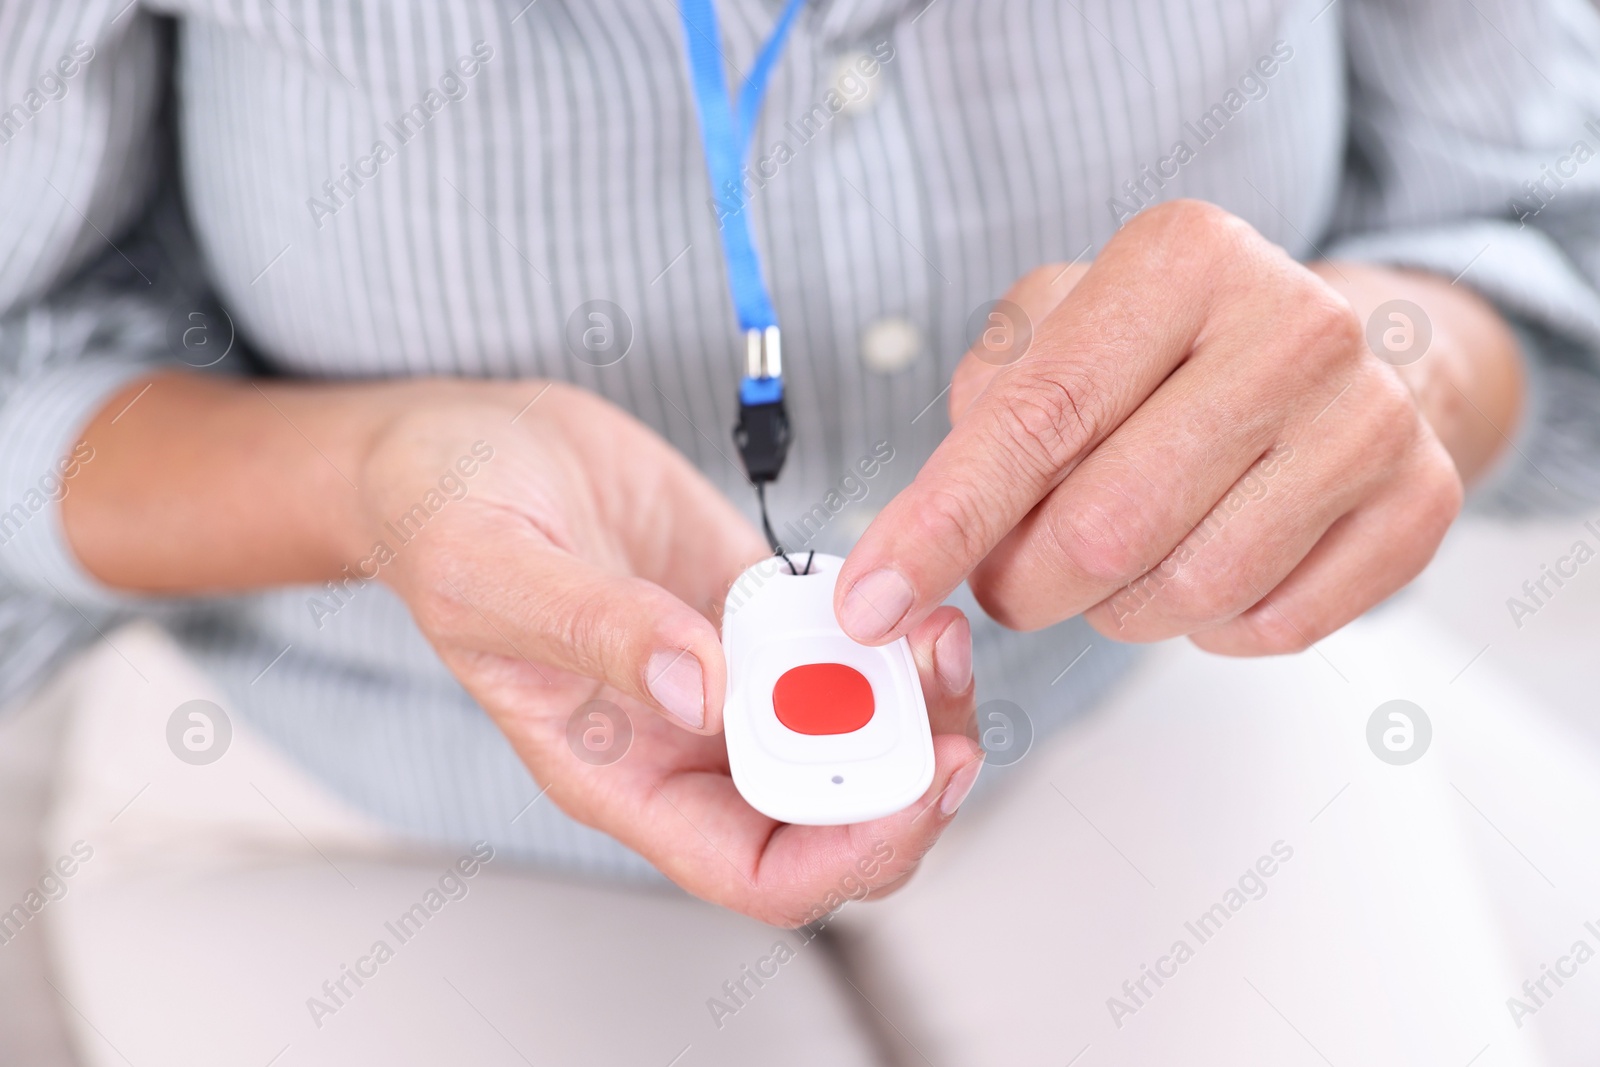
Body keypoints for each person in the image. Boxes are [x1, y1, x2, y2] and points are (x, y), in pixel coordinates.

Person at [3, 0, 1600, 1063]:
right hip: (376, 803)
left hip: (1123, 691)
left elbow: (1538, 214)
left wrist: (1391, 370)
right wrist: (378, 483)